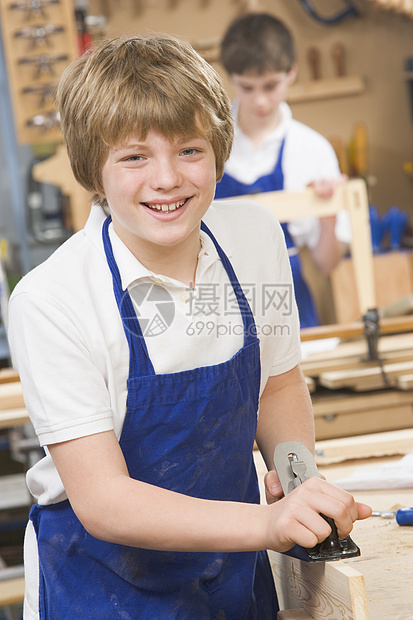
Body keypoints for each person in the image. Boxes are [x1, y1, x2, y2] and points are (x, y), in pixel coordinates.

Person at [8, 34, 371, 619]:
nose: (167, 179)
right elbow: (103, 501)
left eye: (189, 150)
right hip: (102, 584)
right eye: (133, 157)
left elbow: (278, 385)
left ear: (218, 152)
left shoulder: (255, 238)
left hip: (231, 570)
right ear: (92, 171)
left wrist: (296, 479)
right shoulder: (52, 300)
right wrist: (266, 521)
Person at [215, 12, 351, 328]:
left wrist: (328, 215)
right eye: (247, 88)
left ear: (292, 72)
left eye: (271, 85)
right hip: (218, 304)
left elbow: (327, 264)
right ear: (231, 78)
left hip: (290, 304)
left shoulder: (312, 150)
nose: (260, 100)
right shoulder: (209, 145)